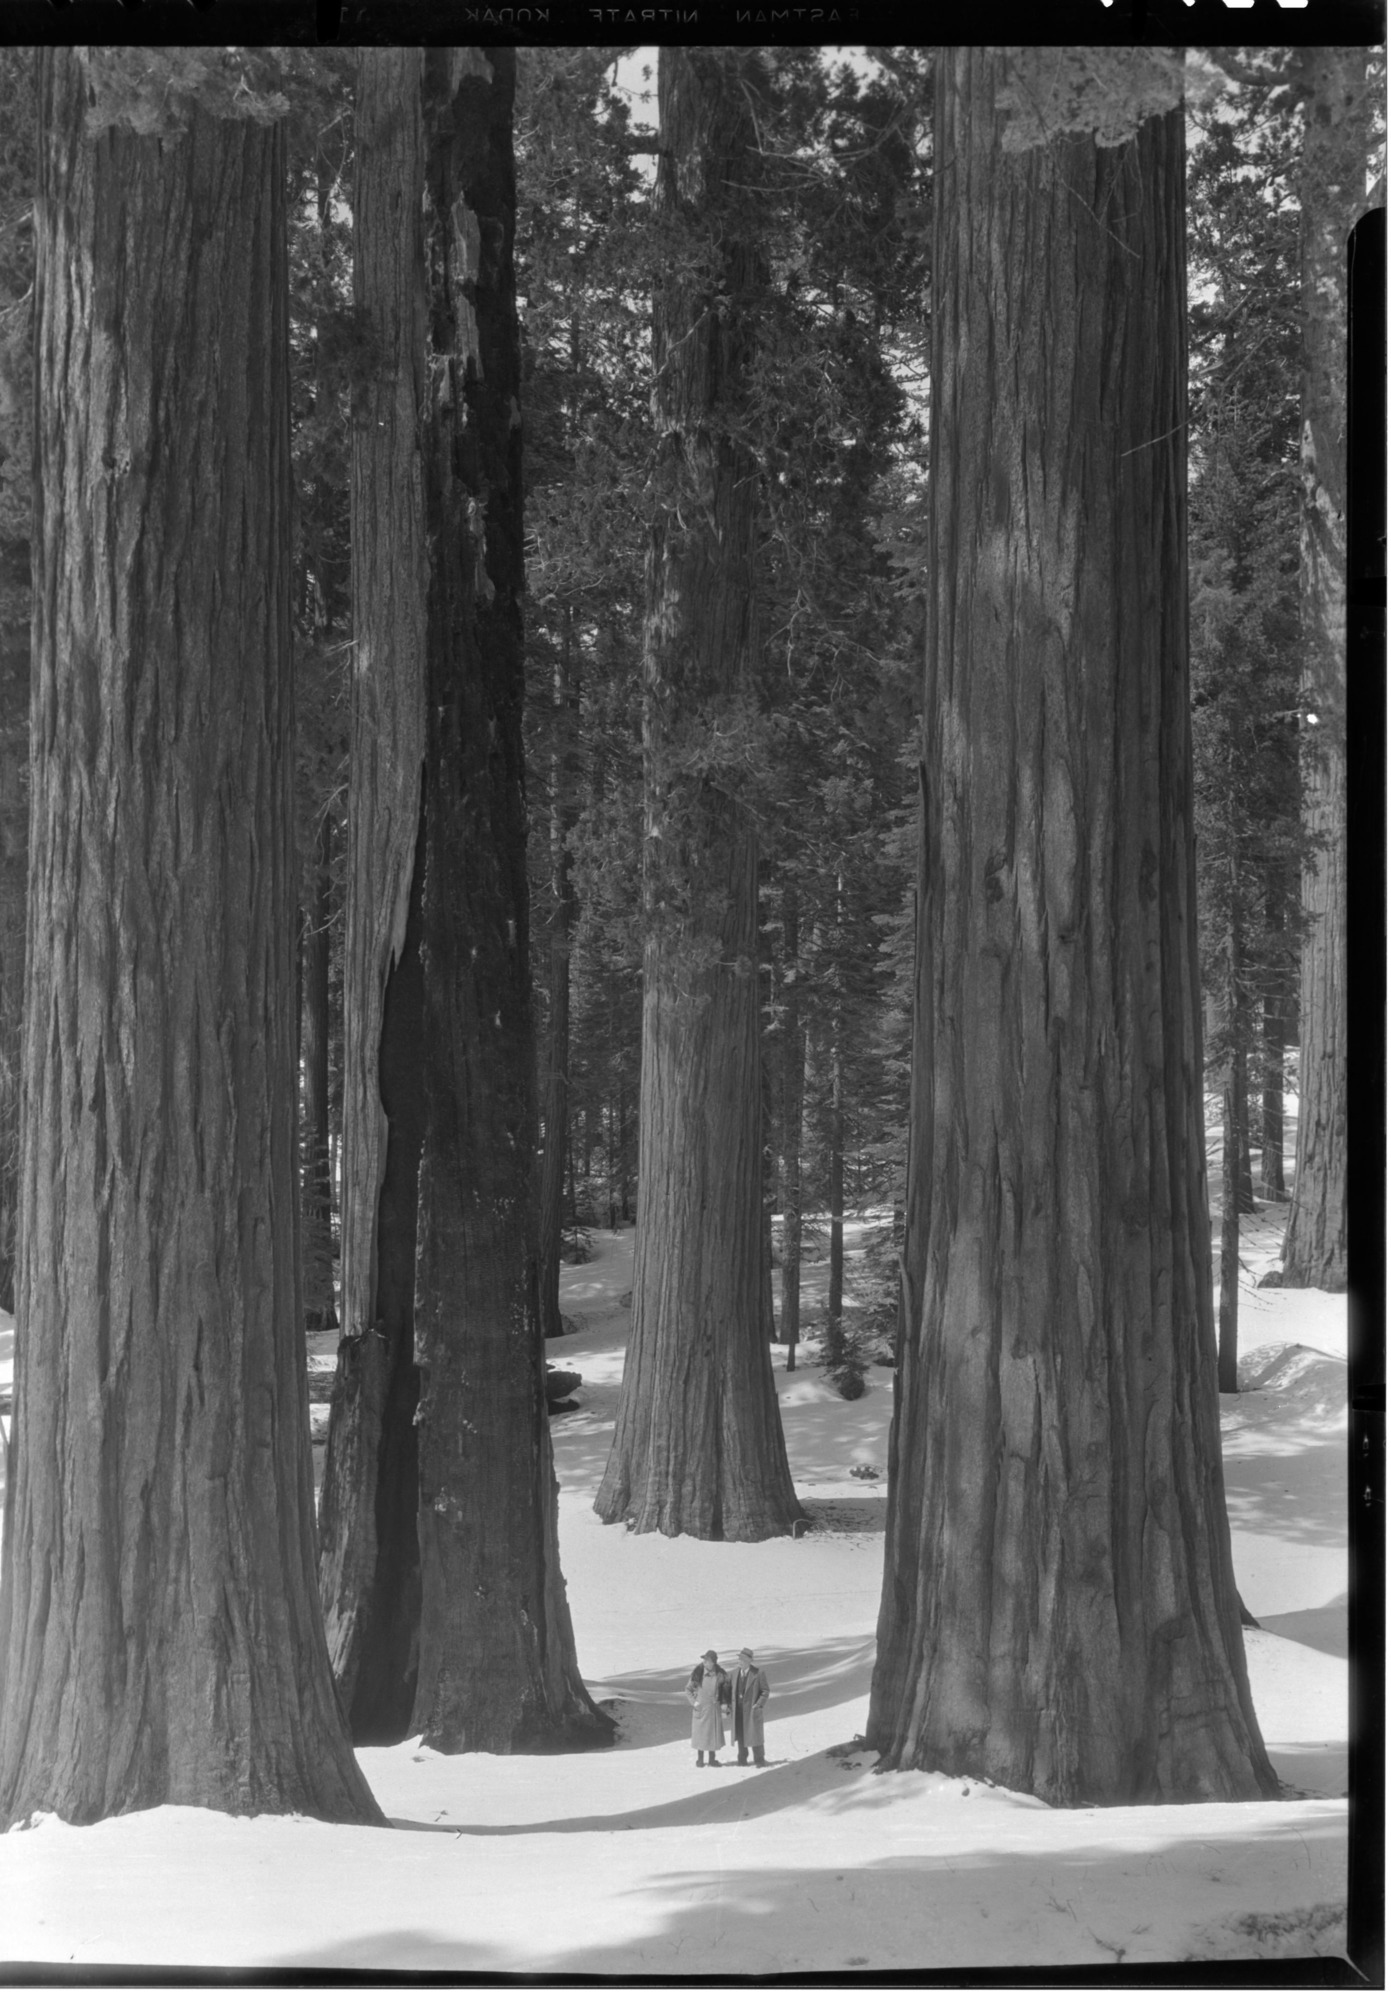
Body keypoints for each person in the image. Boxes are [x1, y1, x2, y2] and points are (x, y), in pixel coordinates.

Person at [685, 1649, 731, 1768]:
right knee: (701, 1735)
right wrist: (694, 1703)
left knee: (712, 1735)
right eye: (704, 1660)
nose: (705, 1662)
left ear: (713, 1662)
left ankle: (712, 1759)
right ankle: (700, 1760)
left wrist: (725, 1705)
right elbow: (688, 1690)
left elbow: (727, 1689)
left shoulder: (720, 1674)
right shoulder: (698, 1673)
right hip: (701, 1709)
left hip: (714, 1709)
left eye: (707, 1660)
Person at [731, 1647, 770, 1767]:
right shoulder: (734, 1673)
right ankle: (742, 1759)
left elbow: (765, 1691)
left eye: (742, 1659)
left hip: (752, 1711)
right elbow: (729, 1689)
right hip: (738, 1711)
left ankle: (759, 1760)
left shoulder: (758, 1674)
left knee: (755, 1736)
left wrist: (758, 1704)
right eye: (739, 1658)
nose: (739, 1661)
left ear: (748, 1660)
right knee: (741, 1735)